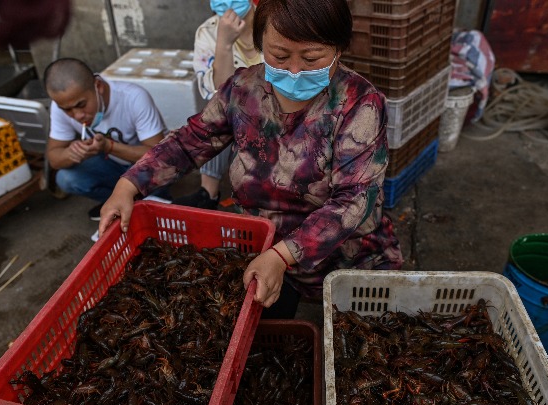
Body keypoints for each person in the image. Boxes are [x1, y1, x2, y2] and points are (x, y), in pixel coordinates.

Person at [99, 0, 402, 318]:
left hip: (341, 256)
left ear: (339, 50)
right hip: (259, 245)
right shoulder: (243, 89)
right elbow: (191, 141)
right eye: (280, 55)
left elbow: (353, 201)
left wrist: (282, 257)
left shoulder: (360, 104)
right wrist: (128, 185)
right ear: (259, 46)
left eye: (311, 58)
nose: (294, 71)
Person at [44, 58, 169, 220]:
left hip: (144, 168)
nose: (77, 115)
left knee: (157, 168)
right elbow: (54, 158)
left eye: (81, 105)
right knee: (66, 178)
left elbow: (159, 155)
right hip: (111, 165)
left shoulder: (133, 97)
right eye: (67, 110)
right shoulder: (61, 105)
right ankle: (116, 202)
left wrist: (109, 146)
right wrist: (72, 153)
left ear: (98, 87)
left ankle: (152, 200)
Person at [172, 0, 263, 210]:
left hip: (276, 115)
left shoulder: (275, 22)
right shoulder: (208, 32)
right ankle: (208, 192)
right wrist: (224, 44)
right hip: (236, 114)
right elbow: (218, 94)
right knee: (216, 115)